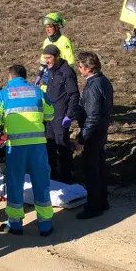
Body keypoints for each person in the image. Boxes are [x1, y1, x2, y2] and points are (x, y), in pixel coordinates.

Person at [0, 65, 56, 236]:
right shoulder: (38, 92)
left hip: (15, 148)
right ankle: (45, 224)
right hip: (38, 146)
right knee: (41, 183)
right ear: (25, 77)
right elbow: (50, 114)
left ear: (10, 77)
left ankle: (16, 224)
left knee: (15, 183)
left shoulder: (2, 94)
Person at [75, 51, 114, 220]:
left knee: (91, 171)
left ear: (86, 68)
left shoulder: (92, 87)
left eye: (80, 66)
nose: (79, 69)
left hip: (93, 132)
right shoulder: (104, 81)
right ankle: (102, 201)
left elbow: (92, 116)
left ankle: (94, 206)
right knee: (100, 166)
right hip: (102, 129)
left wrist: (82, 138)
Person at [43, 44, 80, 184]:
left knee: (62, 145)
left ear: (57, 56)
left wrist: (69, 115)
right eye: (45, 58)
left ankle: (66, 178)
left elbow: (74, 94)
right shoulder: (51, 70)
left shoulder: (67, 72)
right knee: (49, 144)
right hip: (49, 115)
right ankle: (52, 175)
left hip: (61, 114)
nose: (47, 61)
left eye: (49, 57)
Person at [37, 12, 75, 89]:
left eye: (50, 27)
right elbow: (43, 62)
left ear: (57, 27)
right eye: (46, 27)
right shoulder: (46, 41)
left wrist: (64, 79)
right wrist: (39, 75)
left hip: (59, 78)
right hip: (46, 79)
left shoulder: (64, 41)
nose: (47, 29)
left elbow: (70, 64)